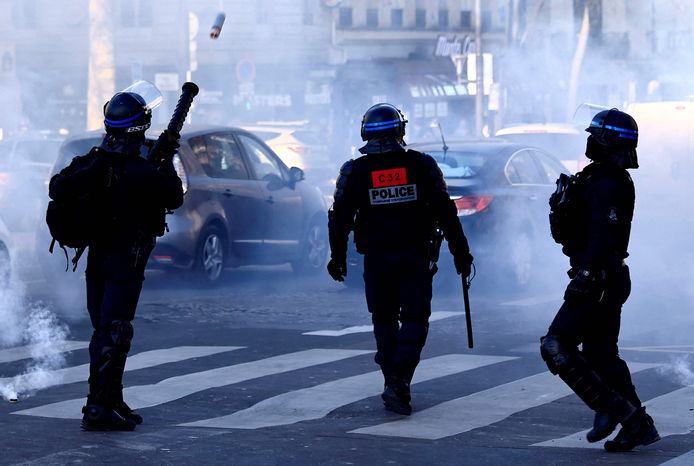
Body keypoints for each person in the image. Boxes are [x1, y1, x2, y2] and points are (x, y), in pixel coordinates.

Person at [49, 82, 184, 431]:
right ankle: (98, 407)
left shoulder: (93, 162)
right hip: (127, 258)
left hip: (97, 258)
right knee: (115, 330)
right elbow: (173, 196)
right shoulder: (141, 171)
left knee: (105, 329)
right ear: (140, 127)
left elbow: (58, 185)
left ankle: (110, 398)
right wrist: (167, 159)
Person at [327, 103, 473, 415]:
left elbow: (339, 219)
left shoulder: (355, 171)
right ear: (400, 130)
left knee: (383, 320)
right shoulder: (421, 165)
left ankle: (393, 380)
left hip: (377, 260)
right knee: (415, 320)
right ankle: (400, 380)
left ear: (366, 131)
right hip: (414, 257)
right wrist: (461, 253)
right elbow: (446, 212)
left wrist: (336, 257)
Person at [540, 108, 660, 452]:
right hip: (601, 275)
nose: (589, 140)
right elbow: (573, 232)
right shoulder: (595, 177)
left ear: (607, 142)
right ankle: (638, 424)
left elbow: (604, 235)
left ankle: (611, 408)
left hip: (600, 278)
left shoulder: (610, 183)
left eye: (595, 135)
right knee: (601, 354)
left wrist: (589, 274)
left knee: (556, 345)